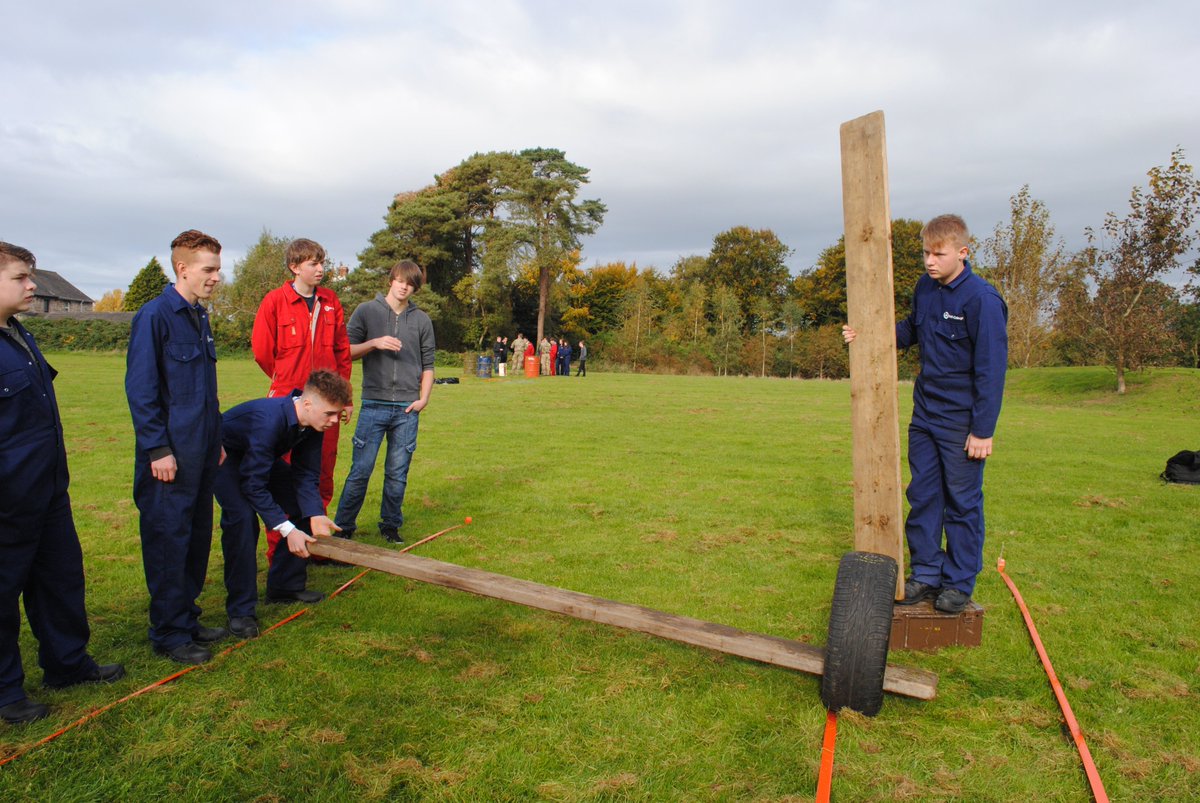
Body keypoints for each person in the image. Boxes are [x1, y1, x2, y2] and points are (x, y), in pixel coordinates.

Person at [843, 214, 1007, 613]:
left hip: (962, 422)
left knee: (962, 502)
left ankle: (958, 582)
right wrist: (865, 334)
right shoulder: (926, 289)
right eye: (926, 253)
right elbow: (909, 331)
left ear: (963, 253)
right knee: (924, 496)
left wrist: (982, 431)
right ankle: (927, 573)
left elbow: (991, 370)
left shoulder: (982, 300)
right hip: (926, 415)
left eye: (939, 253)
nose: (930, 261)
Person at [0, 243, 125, 725]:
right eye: (21, 277)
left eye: (32, 277)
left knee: (61, 582)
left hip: (49, 492)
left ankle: (67, 665)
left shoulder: (19, 335)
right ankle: (6, 694)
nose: (33, 286)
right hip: (7, 500)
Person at [126, 230, 226, 665]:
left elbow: (207, 390)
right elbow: (141, 389)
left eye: (218, 269)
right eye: (209, 269)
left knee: (195, 539)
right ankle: (168, 633)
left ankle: (186, 616)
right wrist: (156, 449)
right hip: (169, 457)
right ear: (182, 269)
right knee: (169, 541)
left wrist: (217, 441)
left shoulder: (198, 317)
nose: (216, 277)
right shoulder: (155, 316)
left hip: (202, 452)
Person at [215, 371, 352, 637]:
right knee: (242, 520)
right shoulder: (269, 420)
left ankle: (284, 587)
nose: (335, 421)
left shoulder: (314, 423)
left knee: (303, 506)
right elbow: (253, 485)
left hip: (258, 456)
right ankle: (241, 611)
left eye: (337, 414)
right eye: (330, 414)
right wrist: (287, 530)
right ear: (308, 403)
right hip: (224, 456)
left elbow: (306, 474)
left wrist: (314, 514)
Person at [334, 260, 435, 544]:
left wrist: (423, 399)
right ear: (391, 279)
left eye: (411, 283)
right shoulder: (366, 311)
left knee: (397, 474)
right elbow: (346, 351)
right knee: (360, 471)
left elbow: (428, 365)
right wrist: (374, 343)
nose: (404, 287)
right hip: (373, 405)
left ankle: (390, 526)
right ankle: (344, 529)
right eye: (401, 280)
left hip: (406, 409)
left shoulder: (422, 320)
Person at [250, 238, 351, 512]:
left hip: (327, 401)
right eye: (313, 263)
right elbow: (262, 351)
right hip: (286, 400)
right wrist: (285, 377)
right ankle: (283, 542)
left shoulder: (331, 300)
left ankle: (318, 541)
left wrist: (344, 399)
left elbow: (342, 351)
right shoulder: (274, 301)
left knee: (322, 467)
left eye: (322, 263)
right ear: (295, 267)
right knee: (282, 469)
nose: (320, 269)